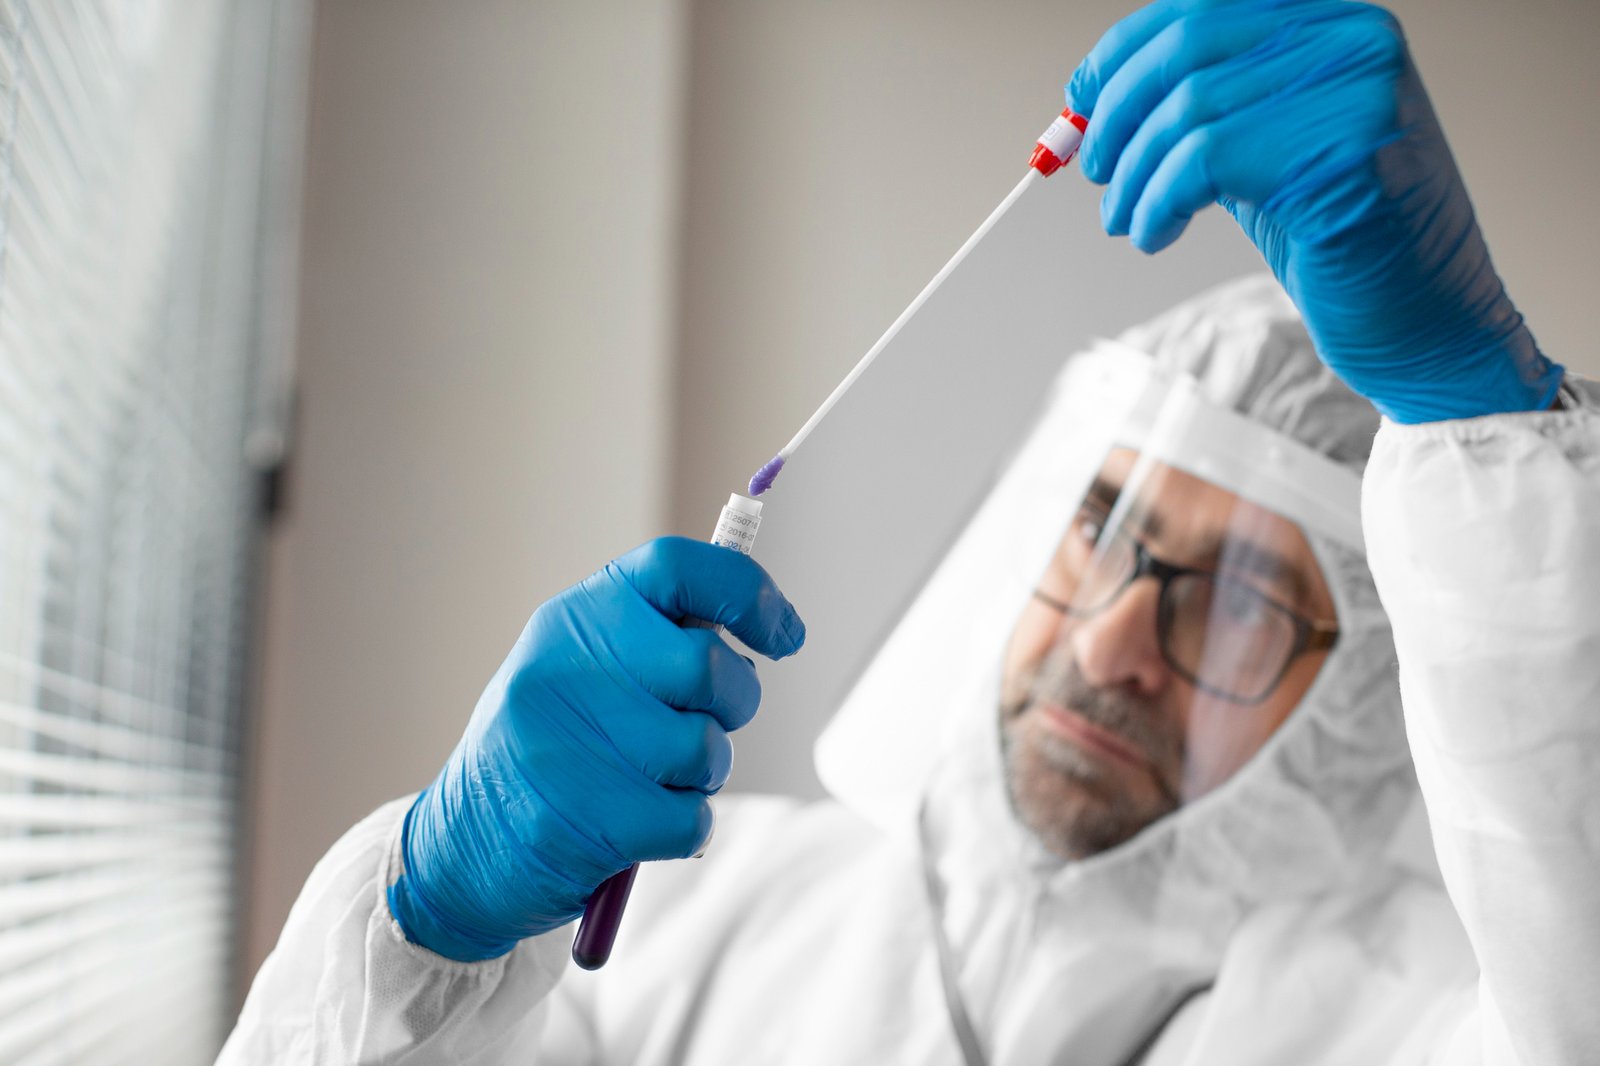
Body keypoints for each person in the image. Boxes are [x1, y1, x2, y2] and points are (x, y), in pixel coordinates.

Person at [220, 2, 1598, 1063]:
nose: (1113, 643)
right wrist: (433, 925)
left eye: (1240, 600)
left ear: (1366, 693)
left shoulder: (1409, 1016)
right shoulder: (693, 921)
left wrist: (1479, 418)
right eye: (1105, 531)